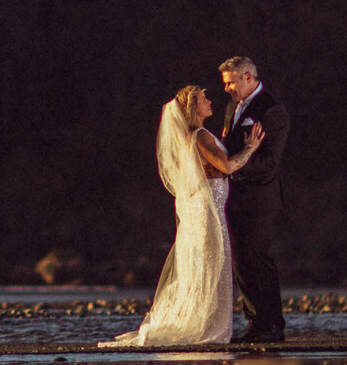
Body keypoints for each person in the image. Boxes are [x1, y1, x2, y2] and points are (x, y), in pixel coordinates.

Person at [106, 85, 264, 346]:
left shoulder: (195, 136)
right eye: (204, 99)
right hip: (209, 213)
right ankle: (204, 329)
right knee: (211, 267)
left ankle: (202, 324)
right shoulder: (199, 135)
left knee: (206, 268)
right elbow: (225, 166)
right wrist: (250, 148)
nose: (210, 101)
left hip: (205, 210)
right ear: (193, 107)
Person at [219, 55, 290, 343]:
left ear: (248, 77)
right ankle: (256, 322)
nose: (227, 88)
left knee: (259, 258)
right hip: (235, 198)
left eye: (231, 82)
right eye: (225, 83)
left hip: (261, 198)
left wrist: (236, 166)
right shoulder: (232, 107)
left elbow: (270, 161)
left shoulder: (271, 110)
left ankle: (273, 324)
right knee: (241, 262)